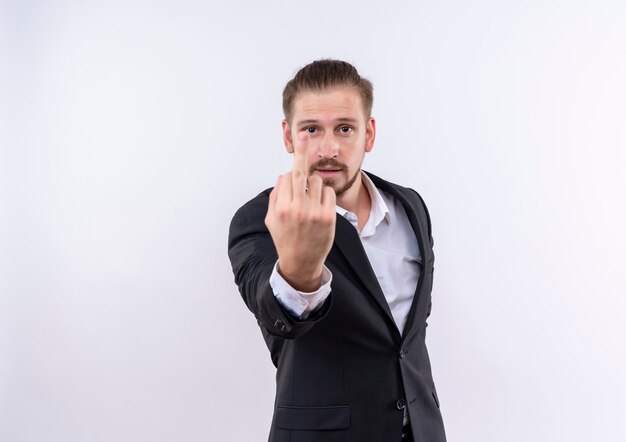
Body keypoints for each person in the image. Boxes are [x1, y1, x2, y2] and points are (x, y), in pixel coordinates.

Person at [228, 59, 446, 442]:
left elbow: (408, 333)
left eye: (345, 128)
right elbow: (273, 311)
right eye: (311, 129)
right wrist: (302, 267)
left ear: (369, 133)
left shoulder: (411, 207)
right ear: (288, 136)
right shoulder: (260, 218)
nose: (329, 148)